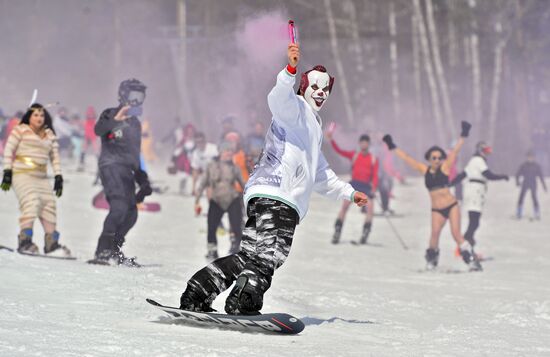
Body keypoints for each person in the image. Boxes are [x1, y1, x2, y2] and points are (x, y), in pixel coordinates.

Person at [177, 43, 368, 315]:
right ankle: (243, 303)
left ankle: (198, 291)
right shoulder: (296, 110)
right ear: (303, 87)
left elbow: (320, 172)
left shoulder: (312, 125)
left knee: (249, 257)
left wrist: (348, 193)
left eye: (325, 89)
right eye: (315, 87)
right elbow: (278, 99)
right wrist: (289, 71)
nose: (321, 93)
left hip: (264, 196)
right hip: (281, 197)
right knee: (270, 256)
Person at [382, 121, 481, 271]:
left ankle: (472, 260)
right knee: (434, 235)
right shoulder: (425, 169)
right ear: (429, 158)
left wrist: (463, 135)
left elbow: (454, 152)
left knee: (456, 234)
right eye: (433, 158)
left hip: (451, 205)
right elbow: (408, 159)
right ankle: (432, 260)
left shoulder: (445, 168)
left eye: (439, 157)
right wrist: (393, 146)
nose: (436, 160)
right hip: (436, 210)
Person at [91, 78, 152, 266]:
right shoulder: (110, 114)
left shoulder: (135, 124)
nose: (136, 102)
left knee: (131, 213)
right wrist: (117, 119)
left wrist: (143, 179)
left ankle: (114, 248)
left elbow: (135, 152)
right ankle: (103, 250)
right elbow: (99, 130)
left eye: (139, 97)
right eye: (132, 96)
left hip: (127, 170)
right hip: (110, 165)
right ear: (122, 95)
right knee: (119, 207)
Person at [1, 103, 70, 257]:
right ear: (29, 117)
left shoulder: (49, 134)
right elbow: (8, 150)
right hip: (21, 173)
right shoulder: (20, 130)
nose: (39, 118)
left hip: (41, 176)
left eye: (42, 115)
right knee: (31, 201)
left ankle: (51, 243)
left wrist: (58, 176)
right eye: (36, 115)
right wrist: (7, 171)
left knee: (48, 204)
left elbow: (55, 157)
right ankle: (25, 241)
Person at [195, 141, 245, 260]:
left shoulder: (235, 167)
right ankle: (212, 250)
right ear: (221, 152)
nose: (229, 153)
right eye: (227, 151)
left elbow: (244, 184)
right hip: (216, 200)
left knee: (236, 225)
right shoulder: (211, 165)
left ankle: (236, 247)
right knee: (211, 226)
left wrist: (250, 197)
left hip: (232, 199)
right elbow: (202, 183)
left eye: (230, 151)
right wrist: (197, 200)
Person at [452, 141, 509, 247]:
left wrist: (450, 183)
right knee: (474, 222)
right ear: (480, 150)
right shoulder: (478, 160)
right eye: (485, 150)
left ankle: (467, 243)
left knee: (474, 221)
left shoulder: (474, 161)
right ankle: (465, 244)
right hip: (475, 192)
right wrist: (502, 176)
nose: (487, 153)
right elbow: (488, 175)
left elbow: (462, 175)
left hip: (475, 191)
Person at [327, 132, 378, 244]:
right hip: (354, 185)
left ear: (368, 145)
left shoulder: (373, 159)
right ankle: (337, 231)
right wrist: (332, 140)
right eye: (362, 143)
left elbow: (375, 176)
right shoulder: (354, 155)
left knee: (370, 209)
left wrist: (373, 189)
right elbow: (339, 151)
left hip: (365, 187)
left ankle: (365, 232)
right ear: (360, 144)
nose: (364, 145)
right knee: (344, 207)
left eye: (366, 143)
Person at [515, 151, 546, 220]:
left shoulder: (536, 166)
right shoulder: (523, 165)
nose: (530, 158)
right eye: (529, 157)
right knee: (521, 197)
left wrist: (544, 186)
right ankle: (519, 212)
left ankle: (537, 213)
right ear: (527, 157)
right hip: (525, 183)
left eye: (531, 157)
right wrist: (517, 182)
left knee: (534, 198)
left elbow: (541, 176)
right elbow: (517, 174)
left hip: (533, 184)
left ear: (534, 158)